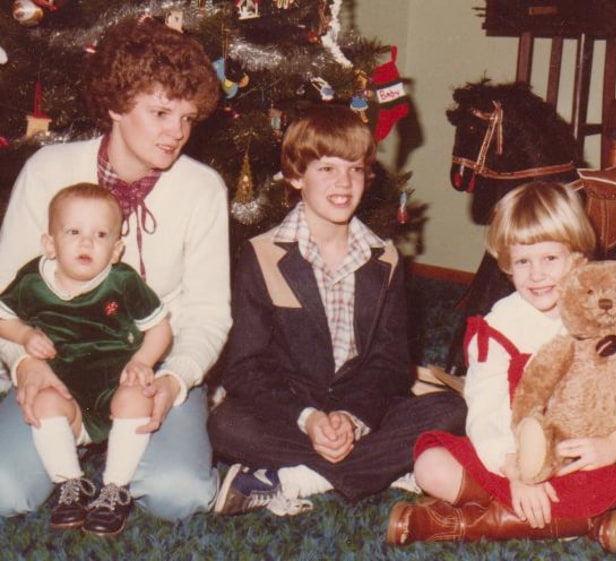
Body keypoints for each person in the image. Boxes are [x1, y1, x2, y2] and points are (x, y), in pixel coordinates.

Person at [0, 18, 231, 523]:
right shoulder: (48, 171)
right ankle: (70, 447)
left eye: (188, 118)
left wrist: (174, 381)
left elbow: (209, 312)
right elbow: (4, 295)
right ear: (115, 105)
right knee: (3, 490)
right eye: (161, 113)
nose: (178, 133)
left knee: (179, 496)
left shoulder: (202, 188)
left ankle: (141, 454)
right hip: (59, 368)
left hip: (151, 372)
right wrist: (26, 365)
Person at [387, 182, 616, 553]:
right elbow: (485, 403)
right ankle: (576, 522)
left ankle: (461, 522)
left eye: (550, 259)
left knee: (610, 481)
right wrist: (517, 469)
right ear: (507, 264)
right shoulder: (500, 324)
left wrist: (615, 443)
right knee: (430, 467)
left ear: (578, 258)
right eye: (523, 261)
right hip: (510, 455)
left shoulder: (604, 312)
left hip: (580, 459)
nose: (536, 274)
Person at [208, 105, 466, 516]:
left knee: (451, 409)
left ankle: (298, 478)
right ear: (296, 177)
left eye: (355, 169)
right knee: (226, 425)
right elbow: (246, 366)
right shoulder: (262, 254)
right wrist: (309, 419)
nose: (343, 183)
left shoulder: (384, 258)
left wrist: (352, 417)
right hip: (292, 406)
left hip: (361, 403)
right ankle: (383, 466)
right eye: (326, 169)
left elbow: (391, 362)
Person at [0, 183, 172, 535]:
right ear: (49, 244)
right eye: (73, 232)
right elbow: (2, 316)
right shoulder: (34, 281)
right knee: (45, 403)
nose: (86, 242)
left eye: (100, 234)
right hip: (65, 390)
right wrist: (25, 335)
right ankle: (70, 484)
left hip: (116, 384)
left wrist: (142, 360)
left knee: (137, 395)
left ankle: (115, 487)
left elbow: (160, 330)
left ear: (115, 249)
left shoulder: (123, 282)